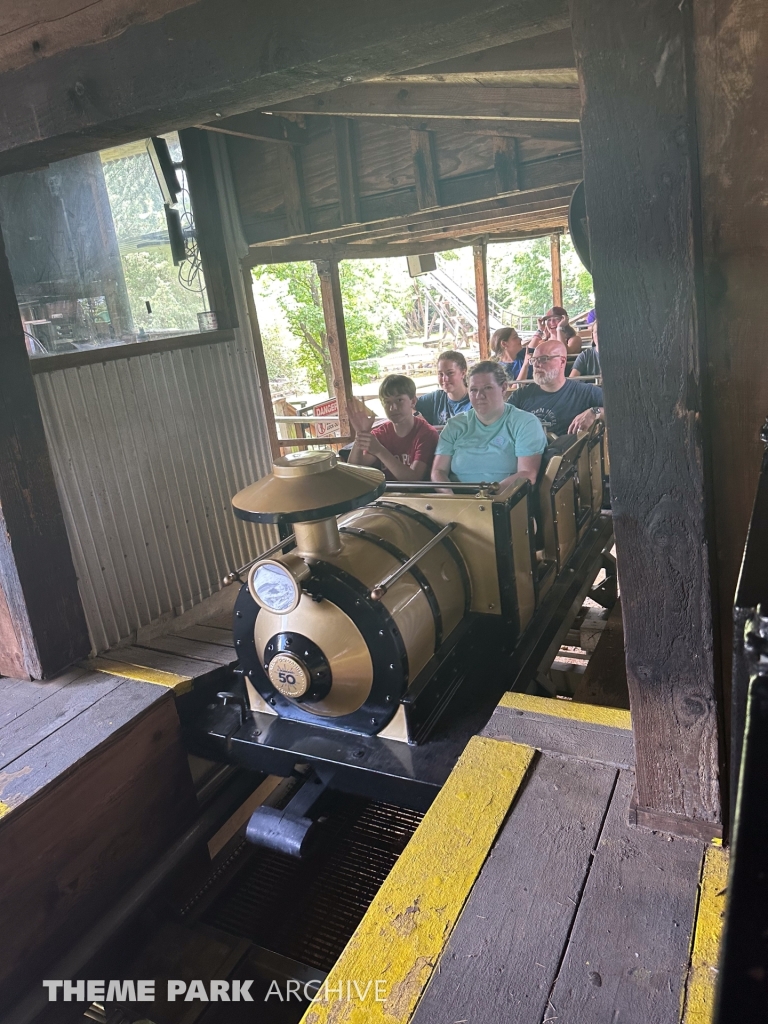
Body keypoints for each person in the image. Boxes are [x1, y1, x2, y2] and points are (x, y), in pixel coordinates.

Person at [431, 361, 546, 488]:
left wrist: (489, 498)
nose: (480, 395)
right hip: (458, 500)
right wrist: (450, 497)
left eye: (487, 388)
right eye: (474, 390)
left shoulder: (525, 423)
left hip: (505, 500)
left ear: (503, 388)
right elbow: (438, 471)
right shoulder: (455, 425)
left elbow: (527, 474)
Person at [349, 374, 438, 481]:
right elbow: (354, 472)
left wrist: (380, 451)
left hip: (418, 496)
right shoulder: (380, 434)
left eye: (399, 400)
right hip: (385, 494)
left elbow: (413, 481)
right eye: (387, 402)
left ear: (413, 401)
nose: (393, 408)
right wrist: (360, 433)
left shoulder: (426, 434)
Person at [507, 340, 604, 435]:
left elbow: (616, 408)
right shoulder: (520, 395)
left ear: (562, 361)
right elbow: (502, 422)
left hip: (567, 450)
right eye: (534, 360)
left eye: (543, 359)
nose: (536, 365)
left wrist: (594, 412)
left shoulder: (585, 392)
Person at [415, 350, 472, 426]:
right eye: (440, 374)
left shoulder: (474, 400)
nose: (444, 379)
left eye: (450, 373)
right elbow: (408, 404)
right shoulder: (436, 398)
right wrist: (417, 416)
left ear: (463, 373)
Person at [570, 310, 601, 378]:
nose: (600, 335)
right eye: (596, 332)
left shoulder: (621, 355)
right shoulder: (585, 356)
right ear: (592, 335)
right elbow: (572, 380)